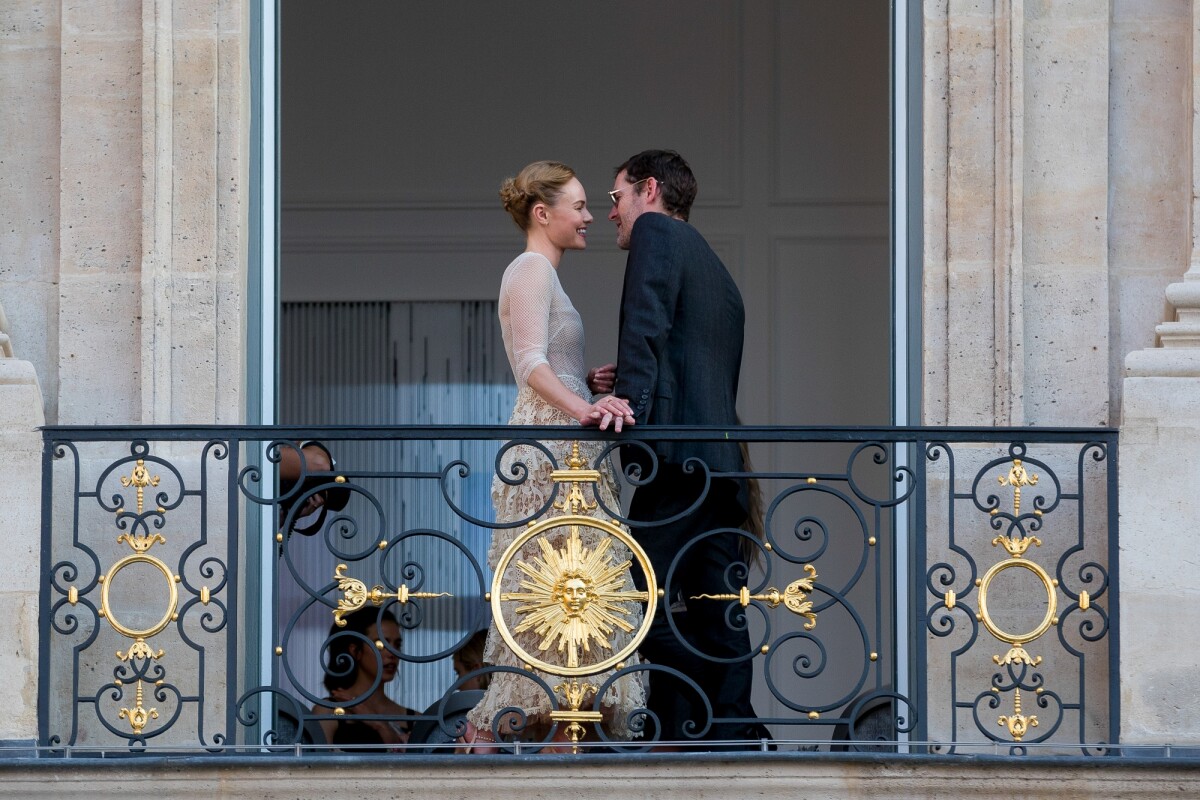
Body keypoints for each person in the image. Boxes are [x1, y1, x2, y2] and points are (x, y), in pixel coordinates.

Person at [463, 160, 645, 749]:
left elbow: (553, 363)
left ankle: (568, 726)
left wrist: (588, 383)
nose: (592, 215)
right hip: (547, 448)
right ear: (544, 214)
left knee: (579, 585)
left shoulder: (545, 272)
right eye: (580, 205)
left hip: (564, 437)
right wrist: (585, 408)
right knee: (554, 584)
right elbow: (530, 365)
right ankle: (509, 729)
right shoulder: (531, 268)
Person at [608, 149, 763, 744]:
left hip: (677, 460)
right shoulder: (719, 274)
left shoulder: (656, 231)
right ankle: (735, 729)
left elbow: (644, 324)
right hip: (721, 465)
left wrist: (628, 414)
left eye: (617, 197)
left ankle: (696, 703)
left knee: (632, 594)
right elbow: (689, 356)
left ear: (650, 189)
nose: (614, 213)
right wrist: (621, 374)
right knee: (719, 605)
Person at [311, 606, 416, 750]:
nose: (392, 653)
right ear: (355, 650)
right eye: (380, 644)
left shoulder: (415, 719)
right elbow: (317, 769)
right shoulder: (328, 712)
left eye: (397, 645)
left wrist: (380, 726)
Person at [277, 440, 350, 536]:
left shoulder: (294, 498)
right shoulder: (320, 465)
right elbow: (322, 465)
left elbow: (261, 529)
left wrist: (290, 514)